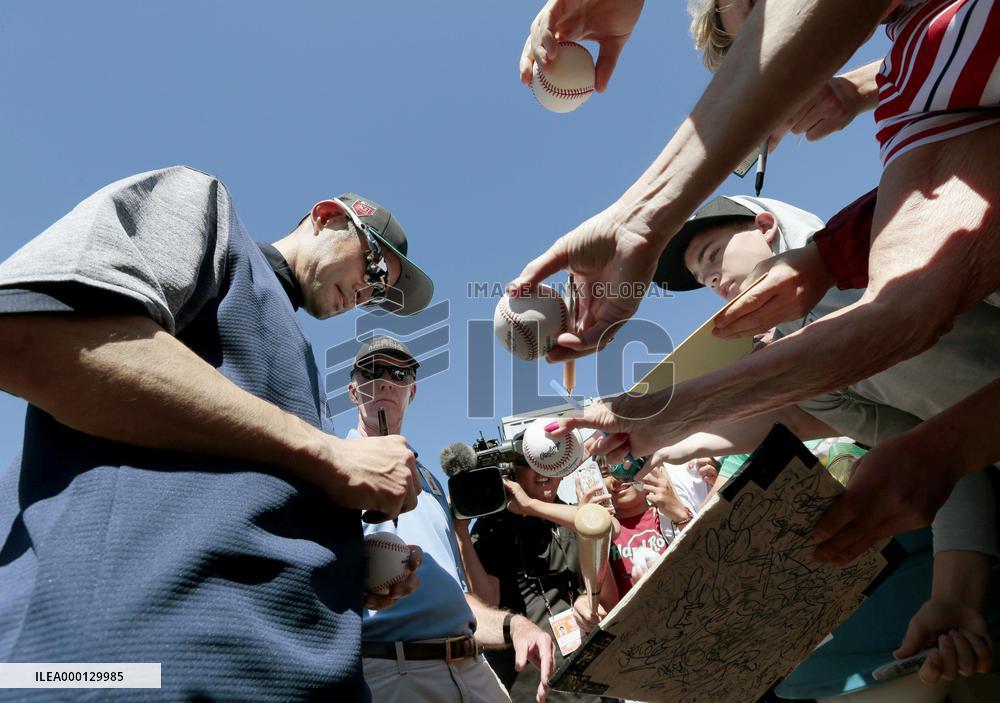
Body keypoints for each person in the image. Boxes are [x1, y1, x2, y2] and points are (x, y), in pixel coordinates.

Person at [514, 1, 1000, 548]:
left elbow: (902, 313)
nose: (711, 278)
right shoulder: (912, 106)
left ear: (766, 224)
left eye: (762, 14)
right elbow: (900, 328)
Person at [0, 166, 433, 699]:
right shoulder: (208, 212)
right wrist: (328, 453)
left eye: (380, 292)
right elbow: (37, 334)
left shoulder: (301, 363)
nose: (368, 290)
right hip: (131, 672)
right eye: (373, 266)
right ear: (326, 217)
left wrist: (344, 565)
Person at [646, 193, 999, 688]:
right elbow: (943, 471)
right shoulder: (812, 387)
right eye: (707, 281)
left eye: (713, 256)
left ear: (765, 225)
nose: (716, 282)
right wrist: (954, 598)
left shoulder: (887, 239)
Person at [346, 337, 556, 703]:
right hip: (396, 673)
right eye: (370, 371)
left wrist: (514, 625)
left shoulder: (431, 486)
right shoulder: (335, 469)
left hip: (472, 669)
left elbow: (460, 600)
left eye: (398, 373)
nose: (383, 381)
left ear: (411, 391)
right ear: (352, 391)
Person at [466, 450, 604, 703]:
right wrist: (459, 531)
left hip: (590, 676)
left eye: (549, 461)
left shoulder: (575, 517)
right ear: (511, 471)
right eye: (528, 463)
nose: (542, 471)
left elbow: (608, 531)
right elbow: (487, 601)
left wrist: (587, 596)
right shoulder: (492, 526)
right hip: (531, 684)